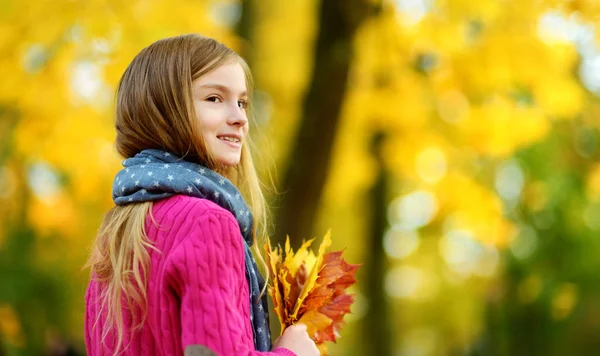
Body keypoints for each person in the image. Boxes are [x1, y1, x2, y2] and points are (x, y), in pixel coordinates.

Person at [84, 34, 320, 356]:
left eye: (242, 102)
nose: (240, 118)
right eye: (214, 99)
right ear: (164, 111)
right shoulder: (207, 223)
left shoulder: (117, 233)